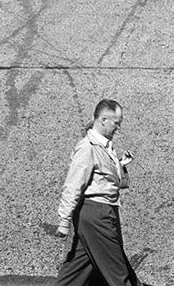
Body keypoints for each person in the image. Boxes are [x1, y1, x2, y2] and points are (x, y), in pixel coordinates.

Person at [55, 99, 138, 286]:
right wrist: (64, 221)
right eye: (116, 123)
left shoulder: (105, 147)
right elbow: (73, 184)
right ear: (103, 120)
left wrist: (121, 164)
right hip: (96, 215)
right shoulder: (87, 148)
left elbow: (114, 182)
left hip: (102, 212)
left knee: (76, 270)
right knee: (118, 272)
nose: (118, 127)